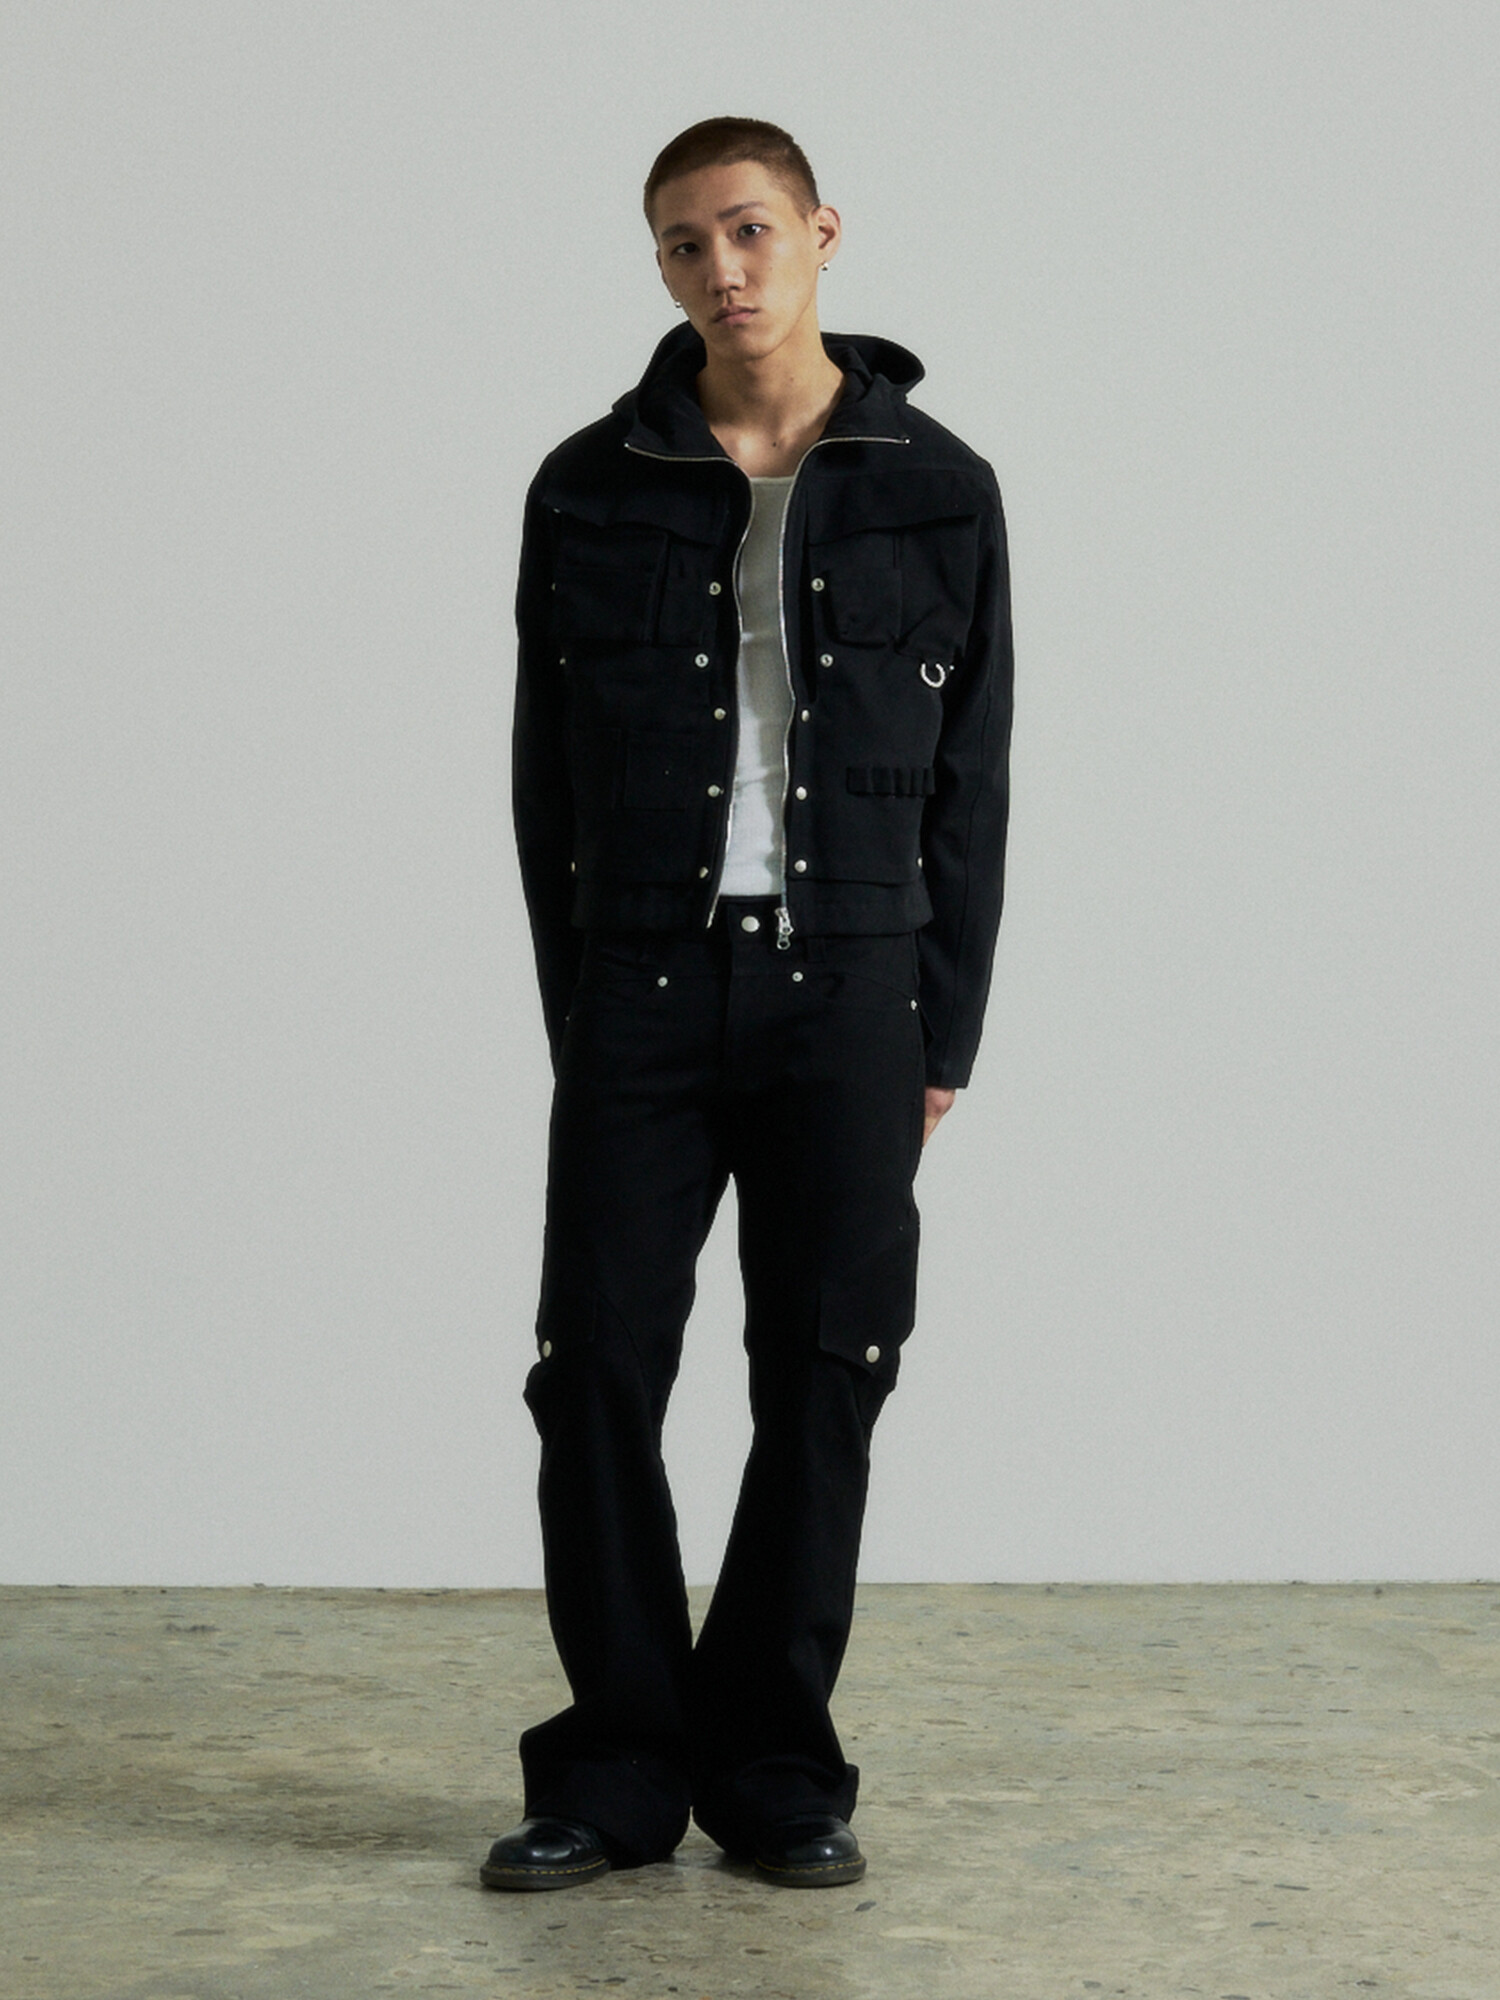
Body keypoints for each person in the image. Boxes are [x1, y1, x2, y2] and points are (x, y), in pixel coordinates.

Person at [481, 116, 1013, 1892]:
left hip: (852, 987)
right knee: (594, 1368)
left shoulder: (940, 484)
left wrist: (941, 1031)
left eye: (750, 230)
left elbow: (975, 781)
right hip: (639, 980)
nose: (722, 270)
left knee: (828, 1370)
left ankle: (777, 1766)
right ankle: (618, 1769)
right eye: (684, 244)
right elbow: (545, 782)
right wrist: (579, 1008)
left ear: (821, 232)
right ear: (660, 265)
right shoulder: (589, 481)